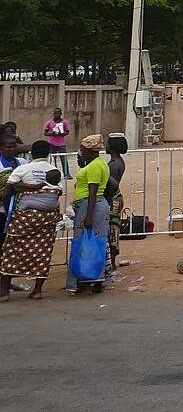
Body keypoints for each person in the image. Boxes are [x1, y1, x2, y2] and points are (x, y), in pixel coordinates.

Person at [0, 140, 63, 301]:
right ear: (48, 154)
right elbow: (58, 192)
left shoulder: (23, 169)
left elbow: (7, 192)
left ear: (31, 153)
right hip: (47, 218)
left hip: (24, 217)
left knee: (12, 250)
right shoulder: (54, 170)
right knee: (43, 251)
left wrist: (11, 211)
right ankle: (37, 290)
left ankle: (4, 292)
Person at [66, 135, 112, 294]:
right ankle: (94, 279)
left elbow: (92, 192)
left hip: (90, 206)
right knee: (95, 243)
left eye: (83, 149)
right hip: (92, 205)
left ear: (90, 150)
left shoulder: (94, 167)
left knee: (83, 244)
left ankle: (84, 280)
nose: (80, 152)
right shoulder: (99, 164)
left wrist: (88, 216)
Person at [105, 133, 127, 272]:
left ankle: (111, 261)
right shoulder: (118, 161)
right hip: (115, 198)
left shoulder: (114, 165)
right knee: (113, 228)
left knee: (112, 230)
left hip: (112, 199)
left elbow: (111, 185)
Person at [43, 107, 71, 177]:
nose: (56, 115)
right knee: (49, 158)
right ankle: (47, 173)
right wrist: (52, 133)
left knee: (63, 158)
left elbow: (67, 132)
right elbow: (45, 133)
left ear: (61, 114)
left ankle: (66, 174)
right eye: (54, 113)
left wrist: (61, 133)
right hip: (51, 143)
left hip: (61, 144)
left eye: (57, 113)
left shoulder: (65, 122)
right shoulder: (49, 122)